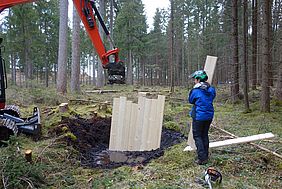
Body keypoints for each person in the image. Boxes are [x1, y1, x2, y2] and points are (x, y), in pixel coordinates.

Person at [188, 70, 216, 165]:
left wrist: (195, 89)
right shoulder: (211, 89)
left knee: (198, 136)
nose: (194, 81)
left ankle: (202, 158)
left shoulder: (195, 91)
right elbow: (212, 97)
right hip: (209, 116)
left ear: (198, 79)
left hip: (199, 117)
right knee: (204, 135)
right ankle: (206, 155)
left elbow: (191, 100)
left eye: (195, 79)